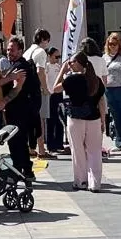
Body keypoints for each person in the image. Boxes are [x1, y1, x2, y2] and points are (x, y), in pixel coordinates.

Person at [57, 52, 105, 191]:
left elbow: (53, 88)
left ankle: (80, 181)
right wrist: (103, 120)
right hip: (94, 118)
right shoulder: (96, 80)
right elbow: (101, 101)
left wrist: (62, 71)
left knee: (77, 151)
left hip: (75, 118)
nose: (69, 64)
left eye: (72, 62)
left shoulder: (71, 79)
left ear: (79, 63)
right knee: (94, 151)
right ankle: (95, 182)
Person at [1, 35, 41, 180]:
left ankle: (20, 170)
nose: (8, 52)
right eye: (8, 50)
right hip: (17, 110)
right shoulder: (15, 65)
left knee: (17, 141)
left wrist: (4, 101)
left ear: (20, 51)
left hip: (20, 110)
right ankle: (23, 170)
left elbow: (17, 88)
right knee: (18, 141)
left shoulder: (21, 67)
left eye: (12, 50)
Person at [25, 29, 53, 156]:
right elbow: (40, 71)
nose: (47, 44)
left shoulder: (27, 51)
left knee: (30, 119)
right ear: (43, 40)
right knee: (40, 119)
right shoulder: (41, 52)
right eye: (47, 41)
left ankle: (31, 148)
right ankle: (41, 149)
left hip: (25, 90)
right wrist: (45, 88)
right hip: (36, 90)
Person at [42, 48, 65, 155]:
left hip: (58, 94)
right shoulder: (46, 66)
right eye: (56, 57)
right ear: (49, 56)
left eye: (59, 57)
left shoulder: (59, 67)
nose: (57, 59)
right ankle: (51, 145)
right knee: (50, 120)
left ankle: (59, 143)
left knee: (59, 120)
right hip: (50, 95)